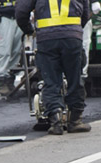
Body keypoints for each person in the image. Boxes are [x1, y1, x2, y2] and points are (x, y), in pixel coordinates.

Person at [16, 0, 91, 135]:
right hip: (72, 37)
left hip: (47, 39)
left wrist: (29, 30)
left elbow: (21, 12)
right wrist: (75, 30)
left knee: (51, 81)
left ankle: (55, 121)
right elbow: (85, 13)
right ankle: (75, 121)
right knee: (75, 78)